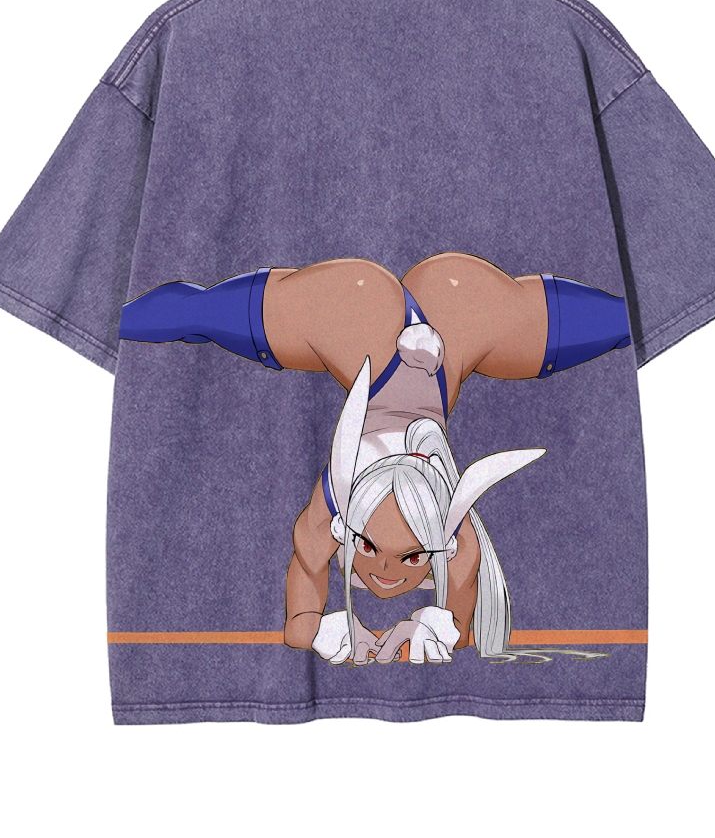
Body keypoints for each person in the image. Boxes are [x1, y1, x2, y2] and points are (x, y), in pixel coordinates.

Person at [119, 252, 631, 663]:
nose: (385, 570)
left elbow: (301, 610)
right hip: (392, 315)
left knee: (626, 320)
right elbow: (462, 614)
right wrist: (436, 631)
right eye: (400, 554)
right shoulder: (452, 539)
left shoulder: (334, 512)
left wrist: (315, 630)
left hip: (387, 317)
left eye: (396, 554)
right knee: (189, 315)